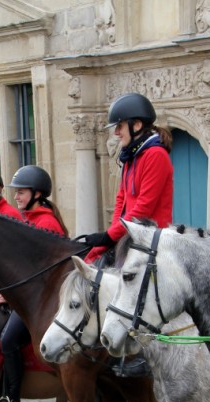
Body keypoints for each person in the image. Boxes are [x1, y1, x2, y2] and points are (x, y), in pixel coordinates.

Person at [78, 92, 173, 378]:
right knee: (93, 264)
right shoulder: (131, 157)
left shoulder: (155, 155)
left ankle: (140, 353)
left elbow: (143, 207)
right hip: (128, 234)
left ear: (136, 125)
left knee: (128, 288)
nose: (116, 132)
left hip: (149, 237)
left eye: (119, 126)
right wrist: (108, 236)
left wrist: (110, 235)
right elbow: (122, 201)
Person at [0, 165, 69, 402]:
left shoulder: (46, 223)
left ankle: (11, 398)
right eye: (16, 192)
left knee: (9, 339)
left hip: (40, 300)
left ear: (37, 194)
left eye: (22, 192)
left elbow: (40, 272)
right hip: (23, 297)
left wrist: (12, 293)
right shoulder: (25, 220)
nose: (17, 197)